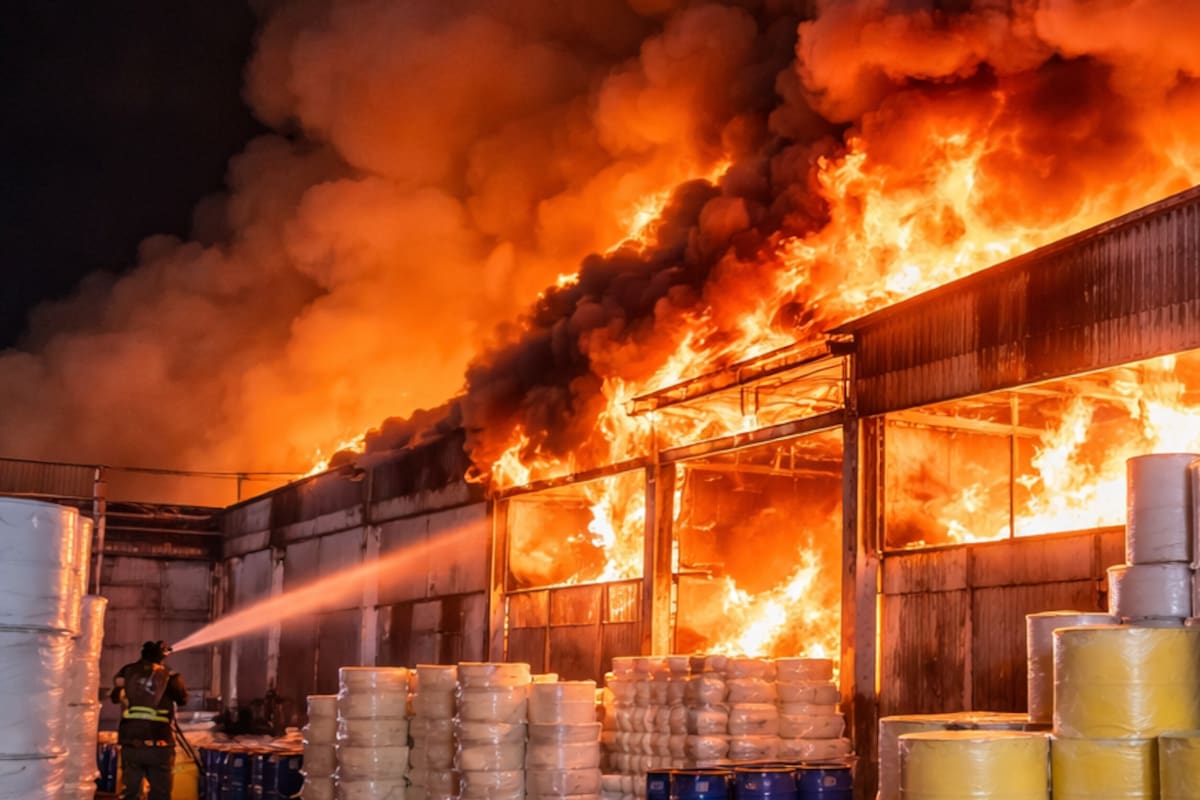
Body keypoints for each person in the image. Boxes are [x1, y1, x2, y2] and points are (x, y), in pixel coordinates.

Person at [110, 640, 188, 800]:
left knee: (130, 794)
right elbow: (182, 699)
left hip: (131, 744)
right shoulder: (171, 676)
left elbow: (114, 696)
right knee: (160, 794)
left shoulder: (127, 671)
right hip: (159, 745)